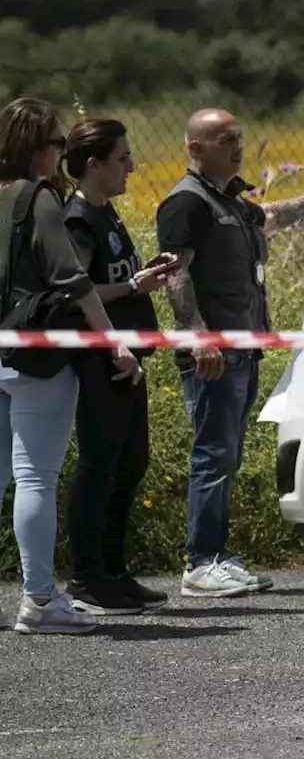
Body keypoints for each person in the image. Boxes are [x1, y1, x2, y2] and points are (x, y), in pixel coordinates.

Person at [156, 108, 304, 598]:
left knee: (226, 455)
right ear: (196, 148)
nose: (238, 147)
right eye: (224, 139)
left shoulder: (230, 200)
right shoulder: (186, 203)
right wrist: (199, 335)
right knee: (213, 456)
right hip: (215, 354)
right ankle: (200, 563)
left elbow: (273, 218)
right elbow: (175, 273)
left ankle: (217, 554)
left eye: (239, 137)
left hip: (243, 350)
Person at [0, 97, 142, 635]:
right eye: (58, 143)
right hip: (38, 354)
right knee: (37, 476)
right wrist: (114, 343)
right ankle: (38, 599)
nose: (63, 153)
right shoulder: (37, 199)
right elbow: (72, 279)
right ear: (37, 146)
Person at [62, 119, 176, 616]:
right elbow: (77, 291)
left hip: (129, 356)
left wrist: (144, 274)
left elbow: (114, 278)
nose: (131, 165)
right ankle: (86, 577)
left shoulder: (109, 216)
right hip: (101, 358)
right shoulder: (79, 221)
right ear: (94, 165)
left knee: (131, 463)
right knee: (99, 464)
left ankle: (114, 569)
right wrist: (133, 291)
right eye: (122, 157)